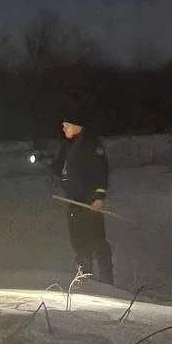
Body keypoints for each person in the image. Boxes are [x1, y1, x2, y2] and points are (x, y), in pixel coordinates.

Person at [51, 104, 114, 286]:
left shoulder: (90, 143)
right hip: (73, 201)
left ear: (76, 125)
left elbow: (101, 170)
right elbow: (60, 168)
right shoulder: (69, 145)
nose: (63, 128)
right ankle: (86, 278)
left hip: (89, 202)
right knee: (78, 242)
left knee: (96, 240)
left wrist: (99, 196)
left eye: (66, 125)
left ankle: (107, 281)